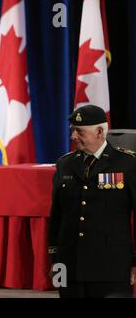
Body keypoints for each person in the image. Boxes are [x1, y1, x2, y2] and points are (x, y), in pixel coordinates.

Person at [48, 104, 136, 298]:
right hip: (70, 265)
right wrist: (55, 259)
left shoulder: (128, 164)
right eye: (72, 131)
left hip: (112, 268)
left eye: (79, 131)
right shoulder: (65, 164)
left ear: (99, 132)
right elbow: (56, 216)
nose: (73, 137)